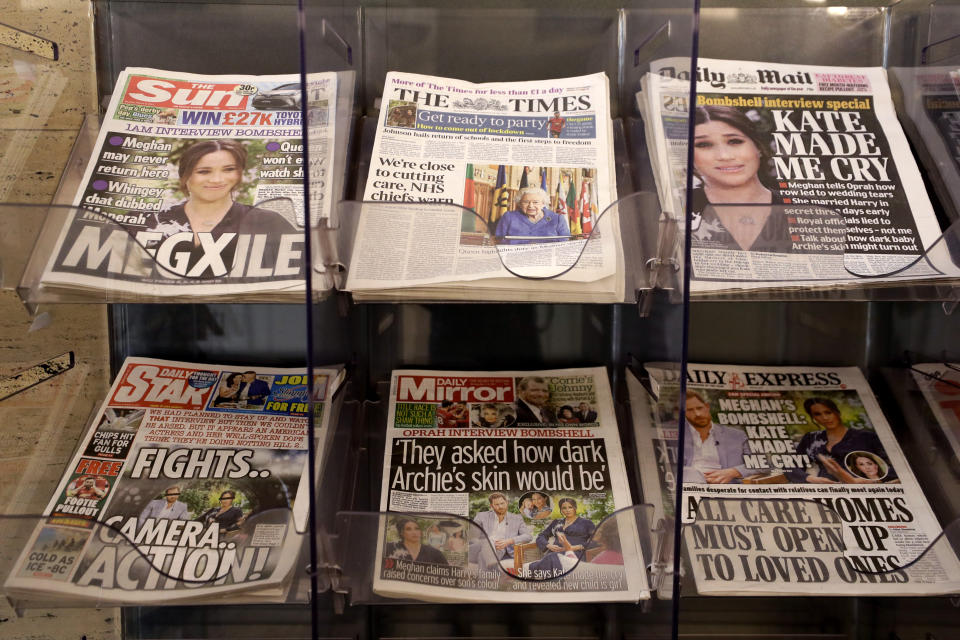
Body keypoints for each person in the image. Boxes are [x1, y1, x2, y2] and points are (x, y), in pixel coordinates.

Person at [147, 139, 296, 276]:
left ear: (239, 174)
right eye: (204, 171)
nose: (217, 180)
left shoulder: (269, 222)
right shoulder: (151, 220)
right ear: (185, 176)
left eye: (229, 169)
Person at [690, 105, 790, 253]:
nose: (725, 156)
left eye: (734, 141)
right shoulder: (680, 207)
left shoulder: (807, 212)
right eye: (704, 145)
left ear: (758, 147)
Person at [793, 398, 896, 483]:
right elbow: (793, 467)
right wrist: (811, 478)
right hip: (827, 493)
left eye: (828, 412)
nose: (824, 417)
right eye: (817, 414)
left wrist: (867, 481)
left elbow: (893, 469)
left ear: (837, 412)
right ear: (813, 418)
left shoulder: (867, 437)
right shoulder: (811, 438)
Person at [683, 390, 752, 484]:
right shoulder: (679, 436)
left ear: (707, 407)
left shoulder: (736, 435)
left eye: (699, 408)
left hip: (726, 488)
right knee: (689, 473)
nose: (697, 414)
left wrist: (733, 472)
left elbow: (763, 464)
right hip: (690, 486)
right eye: (690, 410)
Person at [529, 498, 596, 577]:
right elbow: (541, 536)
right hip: (554, 553)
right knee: (552, 556)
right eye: (564, 508)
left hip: (574, 553)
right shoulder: (557, 522)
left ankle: (539, 572)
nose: (567, 510)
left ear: (575, 508)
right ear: (561, 510)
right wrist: (548, 545)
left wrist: (573, 547)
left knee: (552, 558)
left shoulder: (586, 523)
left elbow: (596, 541)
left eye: (570, 507)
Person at [469, 492, 532, 569]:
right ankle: (491, 563)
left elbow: (528, 536)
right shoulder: (482, 516)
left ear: (507, 503)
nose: (500, 506)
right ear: (491, 506)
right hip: (481, 546)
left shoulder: (517, 518)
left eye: (502, 503)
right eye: (497, 504)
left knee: (483, 555)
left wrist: (509, 541)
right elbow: (472, 535)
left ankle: (488, 573)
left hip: (500, 549)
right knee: (488, 542)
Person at [494, 187, 570, 244]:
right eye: (526, 202)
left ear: (543, 203)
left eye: (535, 202)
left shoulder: (557, 219)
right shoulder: (509, 217)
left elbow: (564, 243)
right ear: (520, 204)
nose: (530, 206)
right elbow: (498, 241)